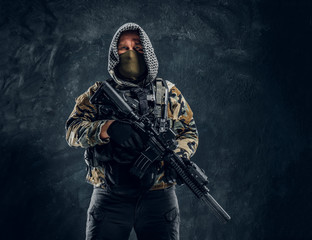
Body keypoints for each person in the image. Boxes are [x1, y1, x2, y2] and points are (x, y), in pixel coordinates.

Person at [65, 22, 199, 240]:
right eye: (123, 49)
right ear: (114, 55)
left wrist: (179, 155)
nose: (130, 54)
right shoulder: (98, 93)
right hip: (109, 196)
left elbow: (189, 132)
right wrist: (107, 128)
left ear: (147, 52)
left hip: (159, 195)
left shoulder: (168, 93)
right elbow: (72, 131)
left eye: (137, 48)